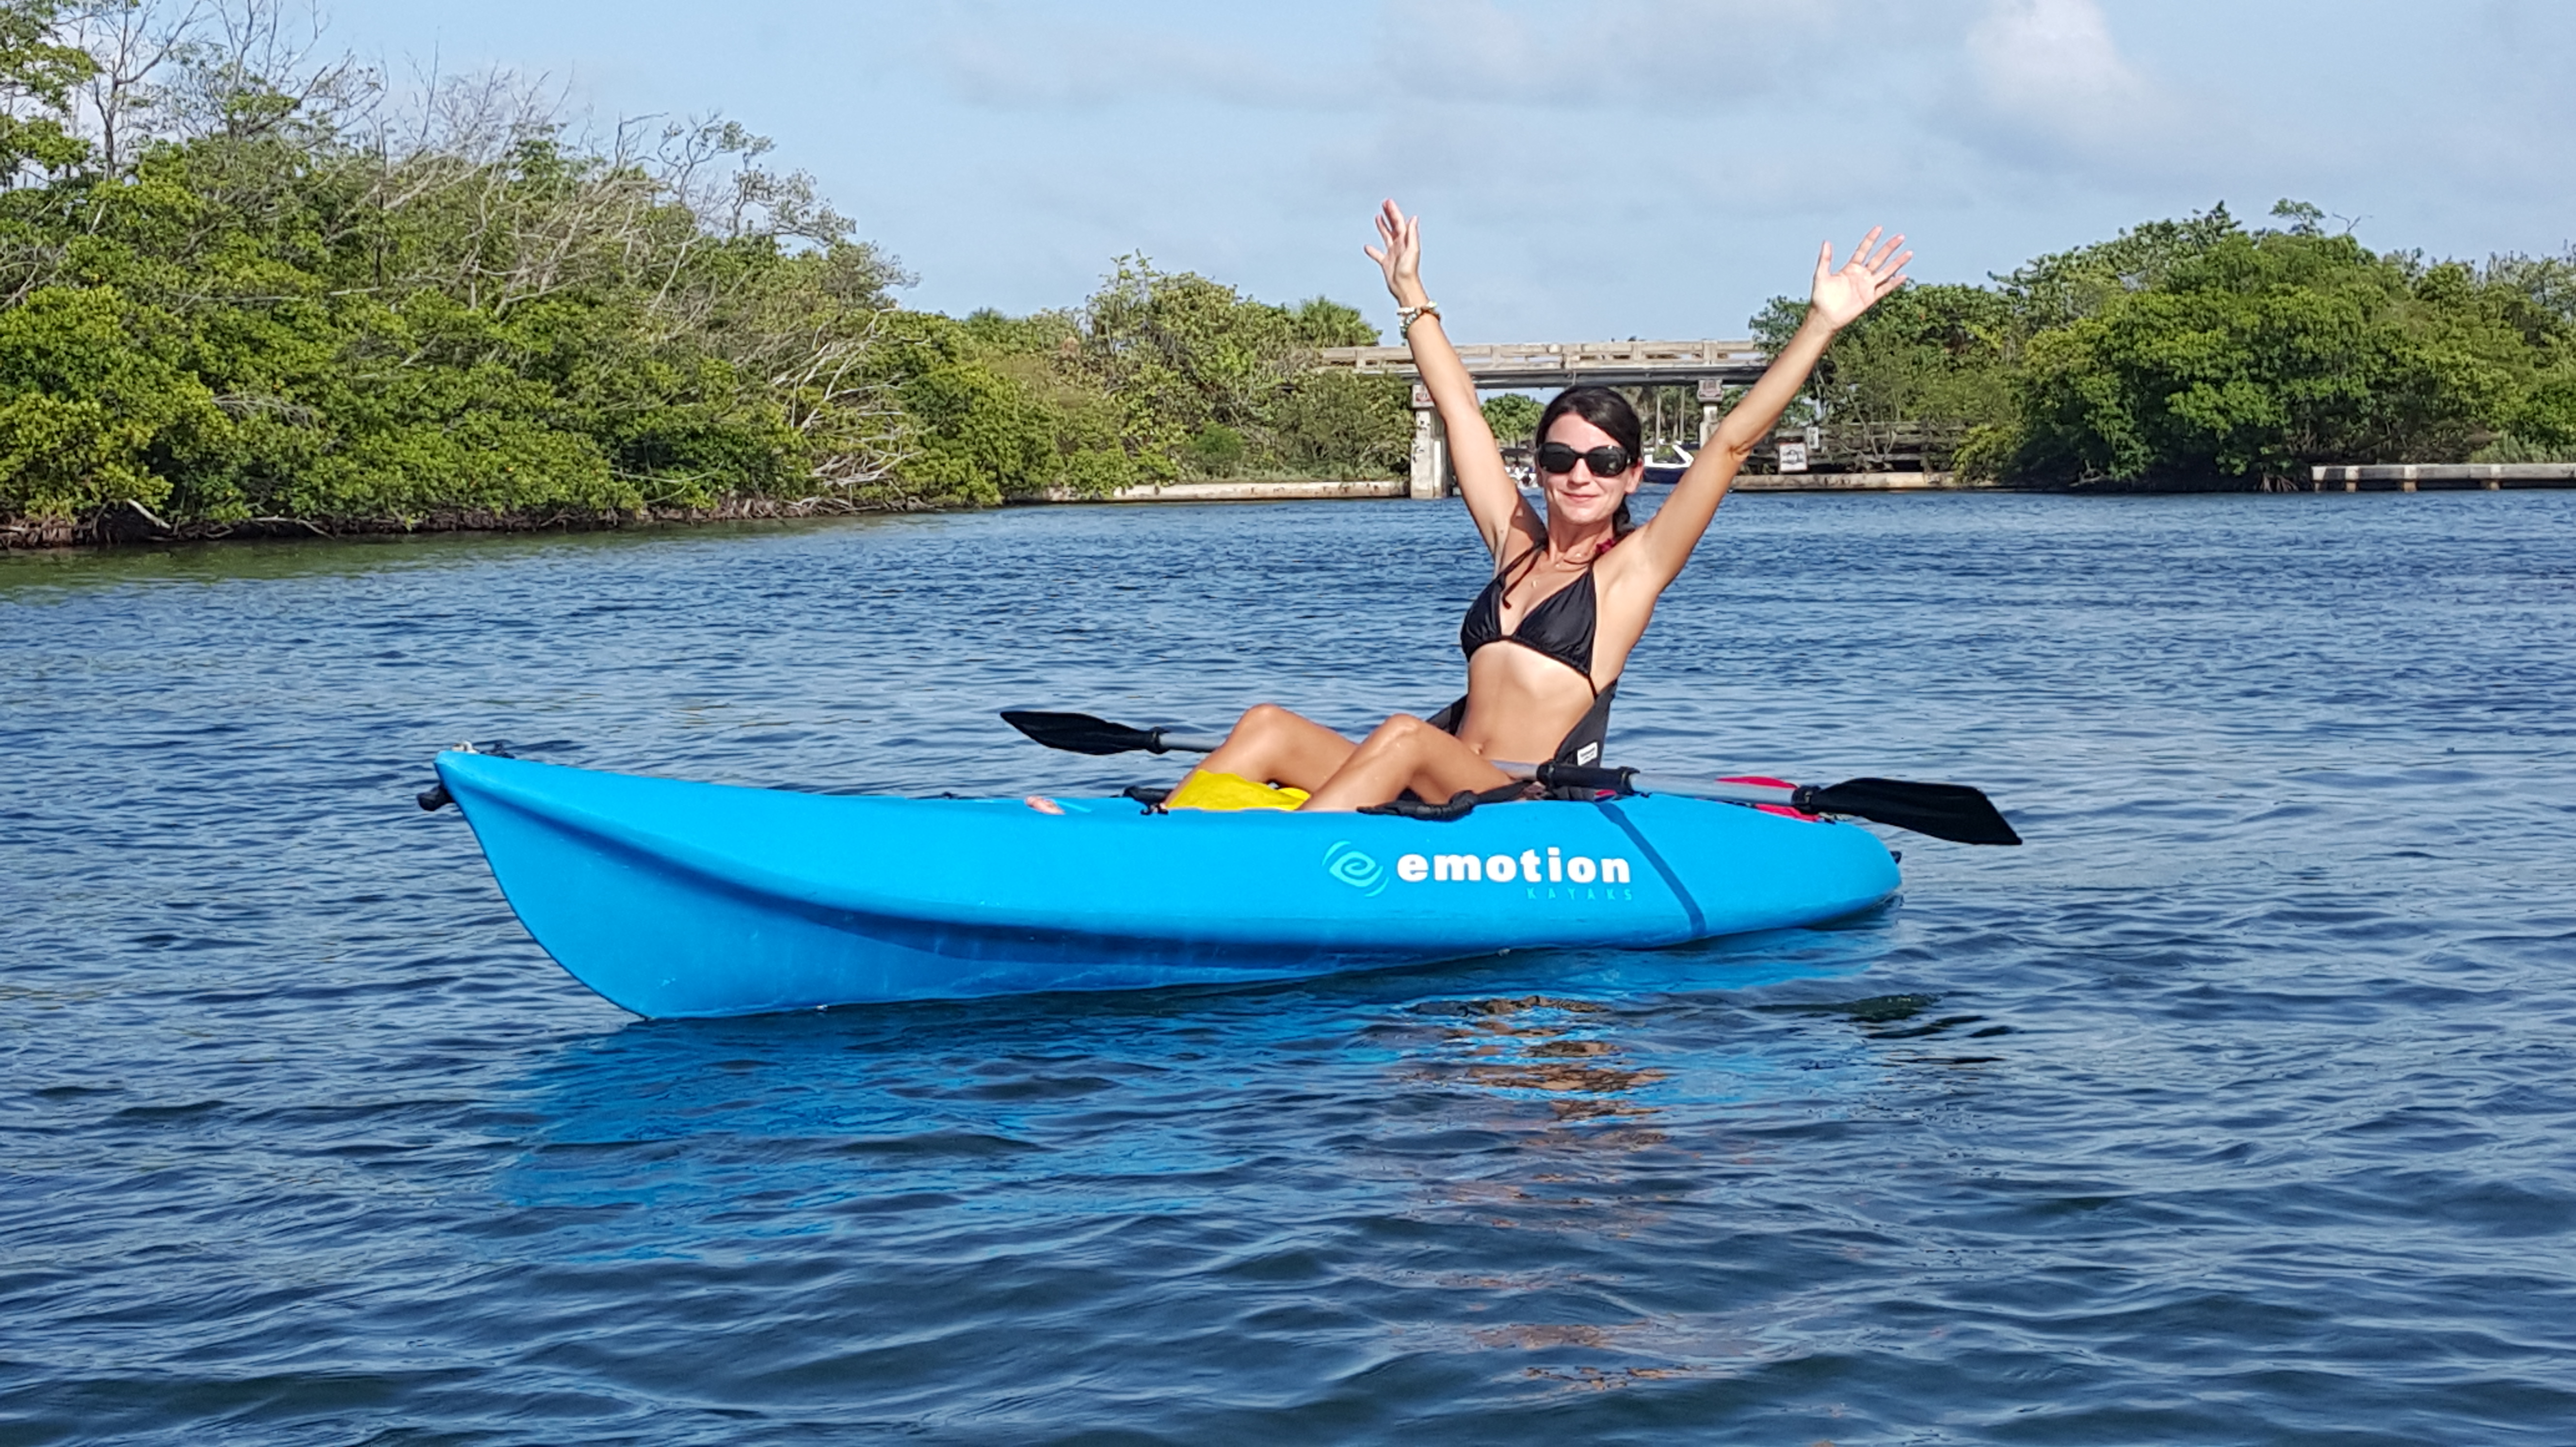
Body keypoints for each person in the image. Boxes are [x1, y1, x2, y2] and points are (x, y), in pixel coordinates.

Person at [1164, 199, 1910, 814]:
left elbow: (1729, 448)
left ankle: (1277, 865)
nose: (1580, 475)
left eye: (1603, 461)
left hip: (1514, 804)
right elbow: (1462, 415)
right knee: (1267, 724)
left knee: (1402, 735)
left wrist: (1820, 325)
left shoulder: (1633, 572)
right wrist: (1412, 297)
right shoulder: (1513, 544)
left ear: (1631, 476)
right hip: (1435, 772)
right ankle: (1160, 836)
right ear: (1540, 469)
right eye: (1560, 459)